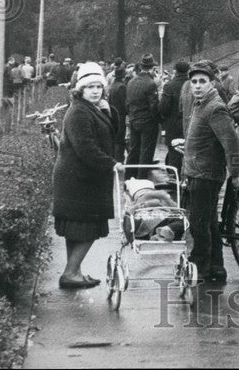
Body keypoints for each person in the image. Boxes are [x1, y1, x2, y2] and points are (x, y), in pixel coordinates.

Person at [51, 62, 123, 289]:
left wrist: (108, 111)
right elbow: (86, 148)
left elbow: (112, 132)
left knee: (76, 229)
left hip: (82, 180)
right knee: (88, 228)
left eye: (98, 86)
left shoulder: (91, 108)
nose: (95, 91)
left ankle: (74, 272)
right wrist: (112, 164)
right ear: (79, 89)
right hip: (80, 181)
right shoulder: (79, 112)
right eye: (90, 87)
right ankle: (71, 272)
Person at [183, 61, 239, 283]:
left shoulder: (215, 107)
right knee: (208, 222)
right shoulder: (200, 104)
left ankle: (201, 267)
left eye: (202, 81)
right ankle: (216, 268)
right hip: (198, 171)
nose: (197, 86)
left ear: (212, 84)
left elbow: (231, 142)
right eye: (194, 82)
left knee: (199, 224)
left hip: (205, 174)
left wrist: (235, 173)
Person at [125, 54, 161, 179]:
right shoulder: (151, 83)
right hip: (147, 122)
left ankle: (128, 178)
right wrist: (159, 120)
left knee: (134, 150)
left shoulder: (131, 82)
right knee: (146, 152)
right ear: (152, 68)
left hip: (134, 119)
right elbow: (154, 107)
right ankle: (141, 179)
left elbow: (128, 103)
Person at [159, 61, 189, 175]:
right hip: (190, 124)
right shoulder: (192, 84)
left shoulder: (169, 86)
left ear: (175, 71)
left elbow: (163, 108)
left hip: (173, 125)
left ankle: (174, 180)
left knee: (174, 155)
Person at [107, 67, 128, 162]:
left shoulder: (112, 86)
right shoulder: (122, 87)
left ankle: (115, 159)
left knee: (115, 140)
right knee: (120, 140)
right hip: (121, 116)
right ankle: (120, 160)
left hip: (113, 115)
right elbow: (125, 104)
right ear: (123, 76)